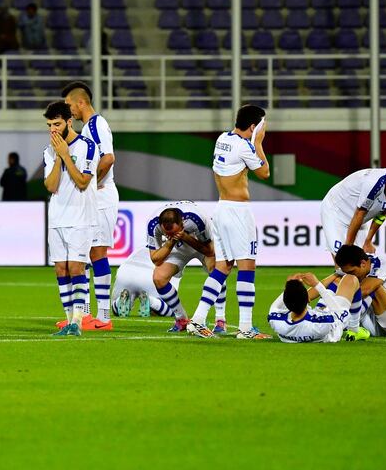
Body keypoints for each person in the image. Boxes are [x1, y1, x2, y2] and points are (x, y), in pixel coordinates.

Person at [189, 104, 272, 339]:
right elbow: (265, 173)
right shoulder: (246, 146)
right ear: (254, 126)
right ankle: (246, 328)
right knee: (247, 267)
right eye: (262, 125)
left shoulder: (222, 138)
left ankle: (197, 320)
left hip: (222, 209)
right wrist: (258, 142)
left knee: (223, 267)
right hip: (238, 212)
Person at [62, 81, 118, 328]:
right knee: (82, 253)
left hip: (102, 198)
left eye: (69, 105)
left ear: (80, 102)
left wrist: (90, 183)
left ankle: (104, 316)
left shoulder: (97, 125)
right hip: (92, 198)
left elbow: (108, 157)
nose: (68, 111)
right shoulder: (87, 128)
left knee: (97, 253)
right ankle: (83, 314)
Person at [43, 101, 99, 336]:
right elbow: (51, 186)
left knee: (77, 267)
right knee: (60, 270)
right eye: (49, 125)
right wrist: (58, 158)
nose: (52, 130)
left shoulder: (87, 146)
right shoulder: (49, 151)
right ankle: (68, 322)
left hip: (80, 217)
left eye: (56, 124)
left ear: (68, 121)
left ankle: (78, 321)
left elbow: (83, 182)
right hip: (57, 217)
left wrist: (66, 155)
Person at [145, 202, 226, 336]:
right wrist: (171, 241)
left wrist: (185, 237)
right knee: (159, 278)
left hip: (199, 244)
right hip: (177, 248)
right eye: (167, 234)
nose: (170, 235)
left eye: (174, 232)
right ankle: (181, 319)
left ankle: (220, 320)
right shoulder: (153, 225)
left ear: (182, 223)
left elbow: (209, 251)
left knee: (216, 269)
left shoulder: (196, 219)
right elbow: (155, 259)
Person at [321, 169, 386, 256]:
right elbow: (360, 213)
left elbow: (383, 213)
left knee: (360, 266)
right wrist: (348, 247)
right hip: (335, 211)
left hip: (358, 218)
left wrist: (368, 241)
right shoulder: (372, 184)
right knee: (343, 260)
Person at [268, 272, 354, 343]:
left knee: (334, 283)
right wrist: (317, 285)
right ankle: (355, 329)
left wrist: (291, 285)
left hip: (314, 316)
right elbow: (340, 314)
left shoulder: (276, 321)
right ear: (309, 299)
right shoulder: (323, 324)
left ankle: (336, 274)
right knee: (350, 279)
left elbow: (275, 306)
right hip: (333, 323)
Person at [111, 247, 179, 319]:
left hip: (126, 271)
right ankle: (151, 301)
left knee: (116, 306)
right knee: (174, 308)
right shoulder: (179, 251)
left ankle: (121, 302)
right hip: (150, 275)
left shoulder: (150, 240)